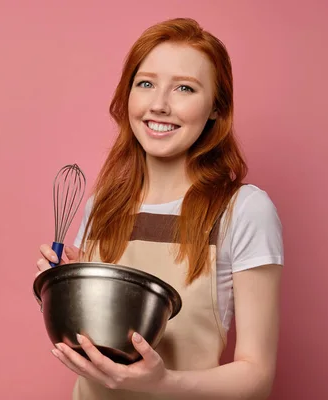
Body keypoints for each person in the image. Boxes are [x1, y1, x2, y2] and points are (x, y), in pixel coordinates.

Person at [35, 17, 284, 400]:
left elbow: (258, 376)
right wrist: (64, 289)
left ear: (216, 108)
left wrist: (164, 384)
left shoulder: (243, 210)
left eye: (185, 88)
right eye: (145, 83)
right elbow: (93, 345)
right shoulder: (102, 205)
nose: (159, 105)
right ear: (127, 94)